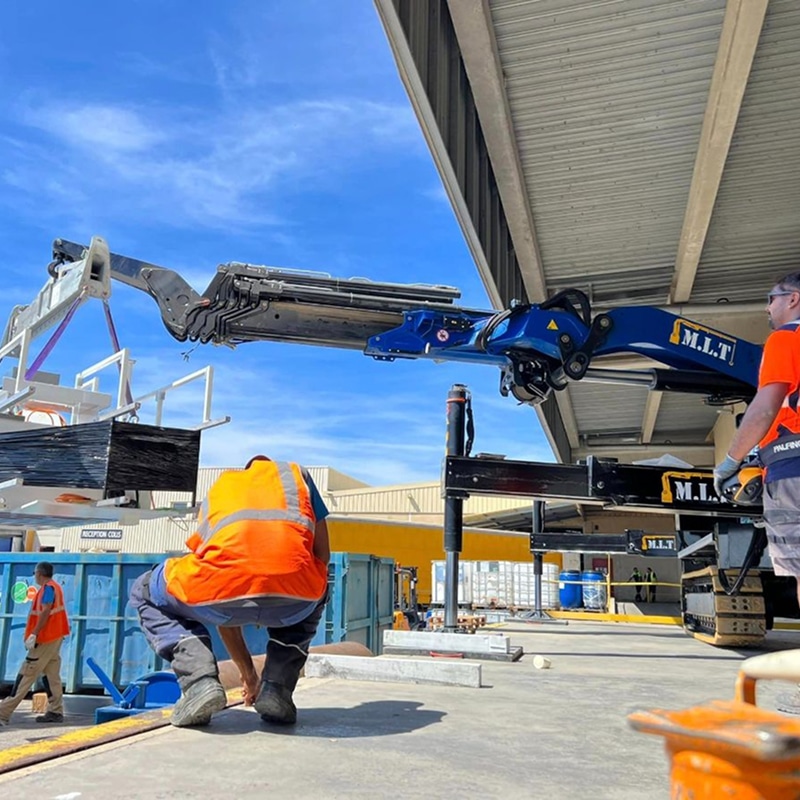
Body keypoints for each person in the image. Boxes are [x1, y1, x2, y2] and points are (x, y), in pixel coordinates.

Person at [130, 456, 330, 729]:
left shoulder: (224, 486)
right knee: (317, 586)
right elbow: (323, 555)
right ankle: (278, 688)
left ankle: (199, 681)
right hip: (296, 597)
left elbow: (222, 595)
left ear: (247, 472)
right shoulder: (298, 477)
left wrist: (248, 675)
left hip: (221, 590)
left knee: (144, 590)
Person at [714, 274, 800, 606]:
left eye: (771, 298)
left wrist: (731, 462)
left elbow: (765, 409)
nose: (767, 307)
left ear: (793, 299)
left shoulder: (786, 338)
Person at [0, 562, 70, 726]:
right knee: (51, 675)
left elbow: (46, 610)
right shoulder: (55, 587)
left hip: (45, 638)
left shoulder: (48, 589)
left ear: (39, 574)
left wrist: (34, 633)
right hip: (55, 636)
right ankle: (55, 711)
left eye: (35, 573)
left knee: (26, 673)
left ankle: (3, 713)